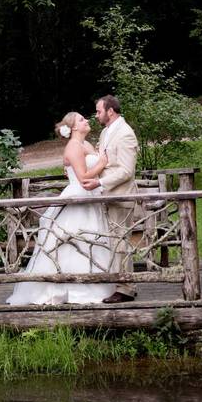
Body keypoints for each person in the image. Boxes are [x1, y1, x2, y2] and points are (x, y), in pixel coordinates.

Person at [6, 112, 116, 305]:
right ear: (73, 127)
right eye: (82, 120)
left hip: (91, 198)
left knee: (91, 238)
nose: (87, 121)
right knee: (74, 240)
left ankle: (96, 282)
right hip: (78, 196)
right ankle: (70, 287)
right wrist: (102, 163)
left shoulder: (86, 145)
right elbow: (83, 178)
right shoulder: (73, 147)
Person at [81, 95, 139, 304]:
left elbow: (126, 171)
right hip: (107, 196)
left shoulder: (125, 134)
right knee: (113, 242)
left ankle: (126, 288)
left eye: (98, 111)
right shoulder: (106, 132)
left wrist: (100, 184)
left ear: (110, 111)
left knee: (120, 242)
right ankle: (119, 282)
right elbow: (103, 162)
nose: (96, 115)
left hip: (121, 196)